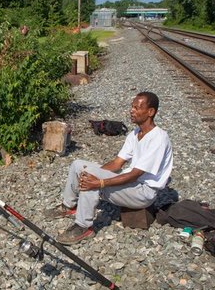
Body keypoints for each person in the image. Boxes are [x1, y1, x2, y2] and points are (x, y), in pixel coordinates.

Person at [44, 91, 173, 245]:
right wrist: (96, 173)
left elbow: (135, 175)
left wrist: (100, 183)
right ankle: (69, 205)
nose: (132, 111)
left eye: (137, 108)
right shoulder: (135, 133)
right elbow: (117, 163)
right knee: (78, 165)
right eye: (132, 107)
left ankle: (84, 226)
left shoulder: (159, 138)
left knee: (91, 178)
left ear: (150, 112)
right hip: (131, 184)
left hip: (143, 192)